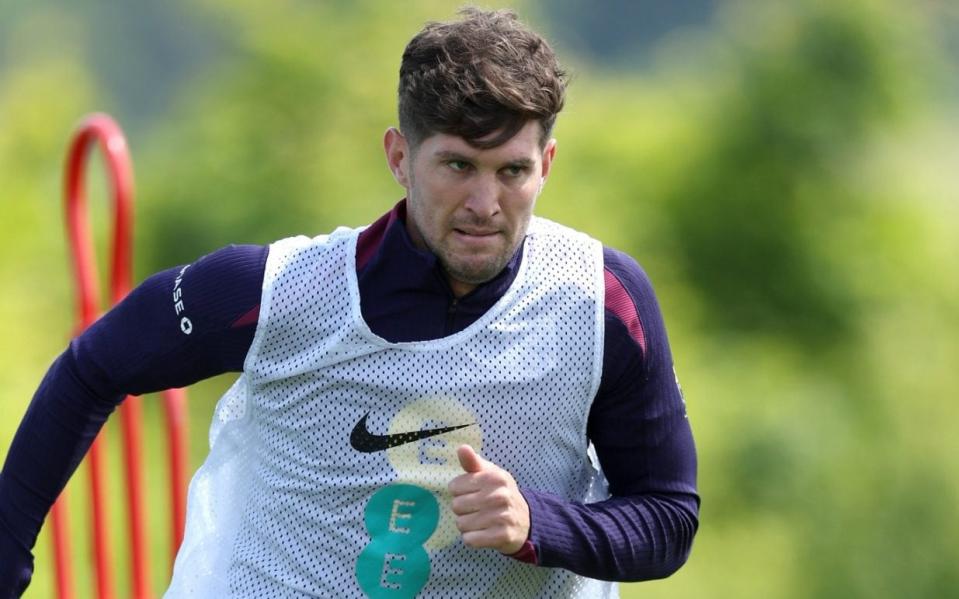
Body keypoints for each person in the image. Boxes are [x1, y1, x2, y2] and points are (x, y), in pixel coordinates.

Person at [0, 7, 698, 598]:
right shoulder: (271, 290)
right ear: (399, 156)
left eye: (511, 171)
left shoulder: (601, 299)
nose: (485, 204)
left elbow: (667, 518)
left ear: (545, 165)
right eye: (456, 165)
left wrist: (539, 525)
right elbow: (92, 367)